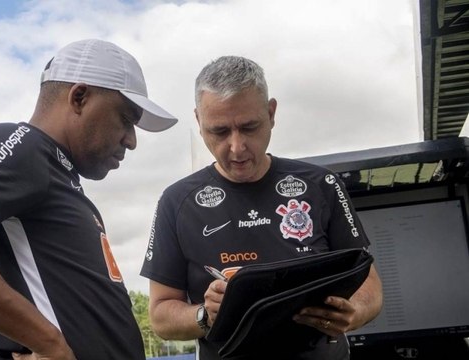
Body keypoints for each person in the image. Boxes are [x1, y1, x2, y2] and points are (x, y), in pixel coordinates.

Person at [0, 39, 178, 360]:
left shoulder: (60, 176)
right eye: (125, 119)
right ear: (79, 98)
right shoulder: (27, 147)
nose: (131, 140)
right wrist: (47, 343)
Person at [140, 56, 382, 359]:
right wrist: (205, 315)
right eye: (220, 131)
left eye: (249, 127)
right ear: (200, 123)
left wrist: (355, 310)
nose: (237, 147)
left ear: (271, 113)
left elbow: (369, 283)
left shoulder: (322, 185)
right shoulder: (176, 202)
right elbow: (161, 315)